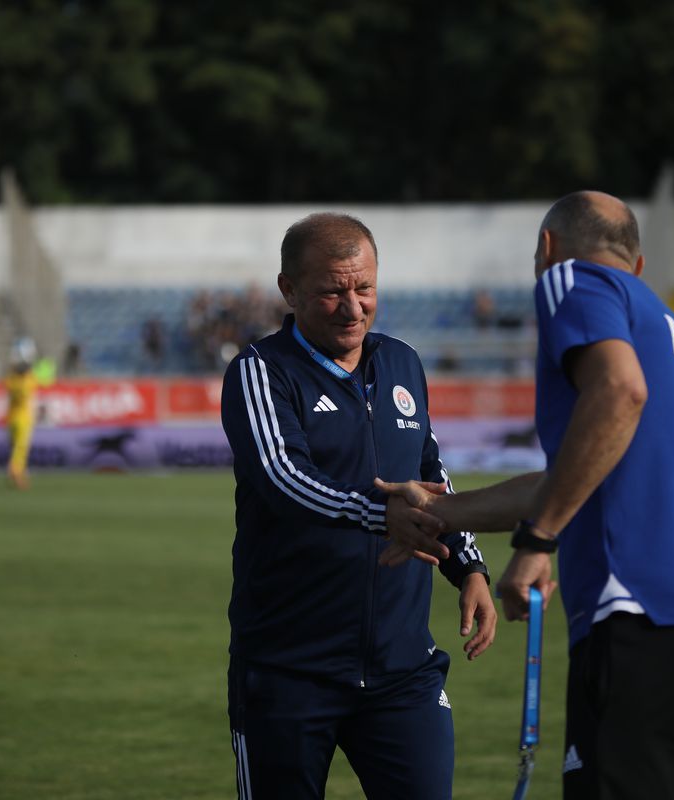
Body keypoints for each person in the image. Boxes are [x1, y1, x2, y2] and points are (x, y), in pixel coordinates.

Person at [377, 191, 674, 800]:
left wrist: (537, 541)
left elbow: (619, 391)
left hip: (638, 618)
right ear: (638, 265)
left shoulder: (572, 280)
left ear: (548, 249)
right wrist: (441, 513)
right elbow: (583, 474)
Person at [220, 212, 496, 800]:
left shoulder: (402, 362)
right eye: (331, 292)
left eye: (364, 288)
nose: (353, 308)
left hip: (402, 671)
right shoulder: (260, 372)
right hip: (288, 670)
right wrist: (381, 515)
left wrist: (467, 564)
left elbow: (428, 470)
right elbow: (282, 477)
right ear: (289, 291)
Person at [4, 341, 38, 489]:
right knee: (21, 448)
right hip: (23, 418)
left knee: (15, 447)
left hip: (11, 418)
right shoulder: (28, 381)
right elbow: (39, 378)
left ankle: (20, 470)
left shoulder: (11, 380)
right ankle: (16, 471)